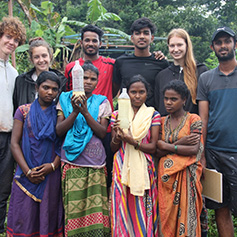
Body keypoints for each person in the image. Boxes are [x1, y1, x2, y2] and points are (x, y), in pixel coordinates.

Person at [56, 61, 112, 236]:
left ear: (97, 81)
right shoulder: (64, 99)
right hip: (71, 161)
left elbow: (102, 132)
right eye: (84, 77)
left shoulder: (102, 102)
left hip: (95, 162)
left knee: (95, 208)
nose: (88, 81)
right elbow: (59, 130)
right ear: (75, 79)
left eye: (92, 79)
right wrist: (74, 111)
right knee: (74, 207)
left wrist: (86, 112)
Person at [7, 71, 64, 236]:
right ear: (36, 87)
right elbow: (14, 143)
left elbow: (64, 144)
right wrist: (28, 171)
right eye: (46, 87)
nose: (50, 92)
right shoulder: (23, 111)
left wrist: (53, 166)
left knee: (48, 213)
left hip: (50, 172)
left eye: (54, 89)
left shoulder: (60, 114)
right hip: (26, 172)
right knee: (24, 214)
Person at [64, 25, 115, 192]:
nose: (91, 43)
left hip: (101, 129)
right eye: (87, 40)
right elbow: (67, 95)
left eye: (95, 40)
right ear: (81, 42)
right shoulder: (71, 67)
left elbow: (117, 87)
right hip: (76, 127)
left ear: (100, 43)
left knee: (104, 174)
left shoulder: (111, 64)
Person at [197, 26, 237, 237]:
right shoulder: (206, 79)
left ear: (235, 45)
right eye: (219, 42)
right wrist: (202, 154)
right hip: (214, 153)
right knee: (220, 209)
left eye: (227, 41)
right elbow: (203, 118)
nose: (223, 46)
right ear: (213, 47)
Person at [110, 75, 160, 236]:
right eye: (133, 92)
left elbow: (153, 147)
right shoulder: (117, 115)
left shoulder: (153, 115)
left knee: (143, 206)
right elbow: (113, 147)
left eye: (141, 92)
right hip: (122, 165)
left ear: (147, 93)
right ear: (127, 93)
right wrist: (118, 137)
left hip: (144, 166)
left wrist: (132, 141)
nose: (137, 96)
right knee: (122, 204)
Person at [157, 80, 203, 237]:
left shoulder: (193, 120)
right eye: (166, 98)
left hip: (187, 178)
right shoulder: (161, 121)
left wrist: (168, 146)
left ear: (184, 99)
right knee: (165, 217)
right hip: (165, 180)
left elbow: (194, 149)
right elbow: (157, 151)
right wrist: (180, 143)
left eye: (173, 99)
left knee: (187, 216)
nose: (168, 103)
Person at [0, 16, 26, 234]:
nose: (12, 43)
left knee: (3, 186)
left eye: (16, 40)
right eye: (8, 37)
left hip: (8, 136)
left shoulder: (13, 72)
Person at [112, 17, 169, 107]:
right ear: (132, 38)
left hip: (151, 116)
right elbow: (114, 90)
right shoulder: (121, 62)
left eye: (146, 33)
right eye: (138, 33)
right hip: (124, 114)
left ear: (152, 38)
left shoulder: (161, 63)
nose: (142, 36)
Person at [155, 28, 208, 116]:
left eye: (179, 45)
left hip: (192, 127)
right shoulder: (161, 76)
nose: (175, 50)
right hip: (166, 127)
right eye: (172, 46)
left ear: (187, 45)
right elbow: (158, 105)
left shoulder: (200, 71)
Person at [13, 37, 67, 113]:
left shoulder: (61, 80)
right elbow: (16, 108)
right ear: (31, 60)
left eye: (44, 56)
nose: (41, 60)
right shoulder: (22, 81)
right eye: (36, 57)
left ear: (50, 56)